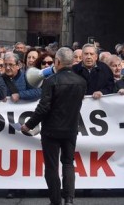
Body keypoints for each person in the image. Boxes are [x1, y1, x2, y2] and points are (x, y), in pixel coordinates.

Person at [21, 47, 86, 205]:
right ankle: (69, 199)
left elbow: (43, 108)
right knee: (68, 163)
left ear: (57, 61)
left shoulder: (51, 81)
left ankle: (55, 201)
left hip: (51, 131)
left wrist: (28, 125)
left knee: (51, 167)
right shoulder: (81, 82)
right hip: (71, 130)